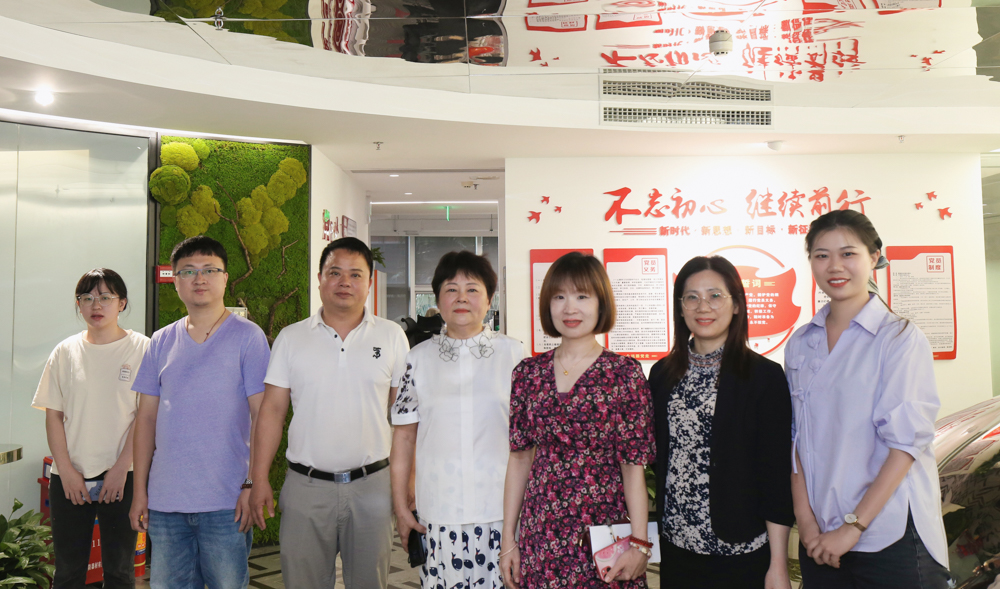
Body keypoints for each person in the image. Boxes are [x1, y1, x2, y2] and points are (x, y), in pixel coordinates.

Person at [788, 209, 950, 588]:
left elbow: (905, 446)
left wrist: (853, 528)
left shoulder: (899, 338)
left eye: (848, 253)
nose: (834, 266)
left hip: (889, 535)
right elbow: (796, 441)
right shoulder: (801, 343)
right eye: (821, 255)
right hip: (821, 538)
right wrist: (807, 525)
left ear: (874, 257)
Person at [249, 237, 409, 589]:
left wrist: (407, 482)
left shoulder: (392, 336)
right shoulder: (292, 338)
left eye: (355, 274)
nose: (344, 282)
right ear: (320, 279)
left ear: (369, 282)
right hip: (306, 488)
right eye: (334, 272)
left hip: (373, 487)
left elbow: (404, 421)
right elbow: (272, 412)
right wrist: (259, 477)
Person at [500, 251, 655, 589]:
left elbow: (633, 468)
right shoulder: (528, 374)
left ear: (601, 303)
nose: (570, 308)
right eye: (559, 297)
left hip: (603, 534)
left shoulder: (624, 374)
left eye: (582, 296)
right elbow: (519, 459)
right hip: (541, 532)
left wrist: (640, 543)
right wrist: (508, 539)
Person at [129, 236, 270, 589]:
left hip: (227, 501)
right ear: (175, 281)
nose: (199, 278)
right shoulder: (161, 341)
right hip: (166, 504)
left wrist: (251, 483)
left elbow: (262, 416)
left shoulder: (248, 337)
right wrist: (140, 491)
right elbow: (145, 420)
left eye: (209, 270)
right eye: (188, 271)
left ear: (225, 277)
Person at [647, 256, 793, 589]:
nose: (703, 306)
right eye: (692, 297)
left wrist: (778, 565)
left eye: (715, 296)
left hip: (741, 551)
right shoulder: (662, 374)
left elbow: (775, 476)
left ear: (737, 304)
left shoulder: (763, 377)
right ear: (680, 307)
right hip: (677, 548)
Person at [390, 250, 523, 589]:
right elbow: (403, 437)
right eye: (451, 289)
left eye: (472, 289)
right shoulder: (417, 359)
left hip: (502, 512)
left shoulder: (516, 355)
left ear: (489, 299)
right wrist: (401, 507)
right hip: (438, 513)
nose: (461, 297)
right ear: (437, 300)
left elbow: (530, 441)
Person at [32, 268, 149, 589]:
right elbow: (53, 416)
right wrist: (67, 471)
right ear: (78, 304)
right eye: (87, 298)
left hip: (124, 476)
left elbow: (144, 417)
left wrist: (121, 468)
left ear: (122, 303)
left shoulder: (142, 348)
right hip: (70, 477)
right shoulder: (65, 352)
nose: (96, 305)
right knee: (68, 573)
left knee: (120, 572)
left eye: (106, 297)